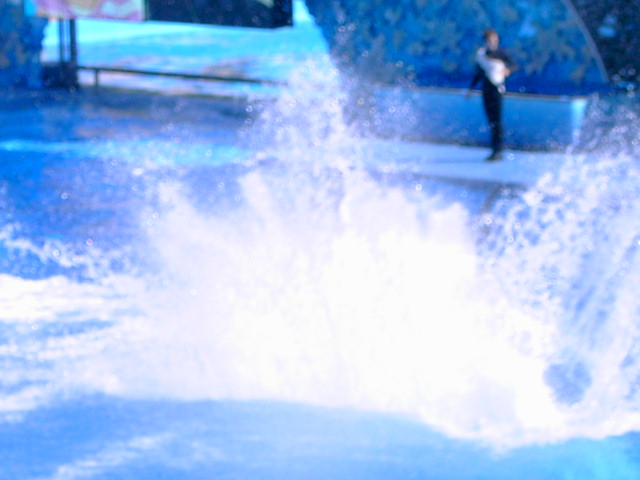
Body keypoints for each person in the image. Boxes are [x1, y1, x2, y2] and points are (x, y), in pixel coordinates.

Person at [467, 29, 517, 162]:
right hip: (486, 90)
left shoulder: (501, 53)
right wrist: (471, 89)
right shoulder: (482, 54)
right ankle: (494, 149)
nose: (493, 42)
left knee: (497, 120)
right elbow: (478, 73)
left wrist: (508, 70)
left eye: (494, 39)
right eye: (490, 39)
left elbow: (514, 65)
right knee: (491, 121)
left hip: (497, 90)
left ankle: (499, 149)